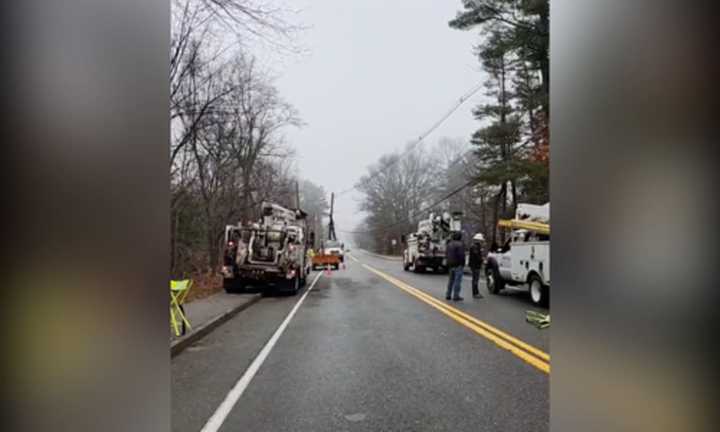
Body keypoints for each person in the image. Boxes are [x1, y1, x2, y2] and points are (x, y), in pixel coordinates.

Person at [445, 231, 466, 301]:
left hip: (450, 265)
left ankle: (448, 294)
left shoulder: (449, 244)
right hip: (458, 265)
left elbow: (446, 254)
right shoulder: (460, 244)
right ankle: (456, 296)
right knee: (457, 281)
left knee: (450, 281)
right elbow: (461, 255)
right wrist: (463, 263)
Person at [468, 233, 485, 298]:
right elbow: (477, 257)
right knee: (475, 279)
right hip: (475, 265)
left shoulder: (474, 246)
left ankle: (476, 293)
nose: (482, 241)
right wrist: (482, 260)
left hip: (473, 265)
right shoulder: (475, 247)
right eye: (481, 240)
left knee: (475, 279)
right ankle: (475, 293)